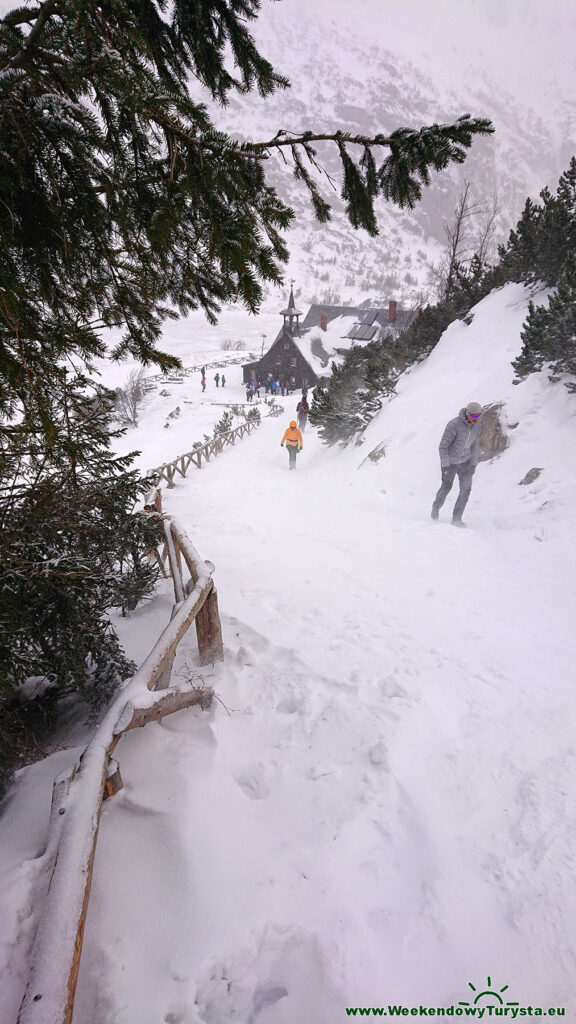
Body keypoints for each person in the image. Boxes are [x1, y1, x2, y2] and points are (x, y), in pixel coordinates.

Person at [431, 402, 483, 527]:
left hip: (466, 462)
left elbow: (475, 445)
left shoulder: (477, 425)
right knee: (446, 486)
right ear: (468, 414)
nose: (476, 419)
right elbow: (443, 447)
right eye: (474, 417)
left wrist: (473, 463)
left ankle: (456, 519)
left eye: (479, 416)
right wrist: (445, 465)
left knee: (466, 489)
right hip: (450, 462)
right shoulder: (454, 424)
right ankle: (436, 507)